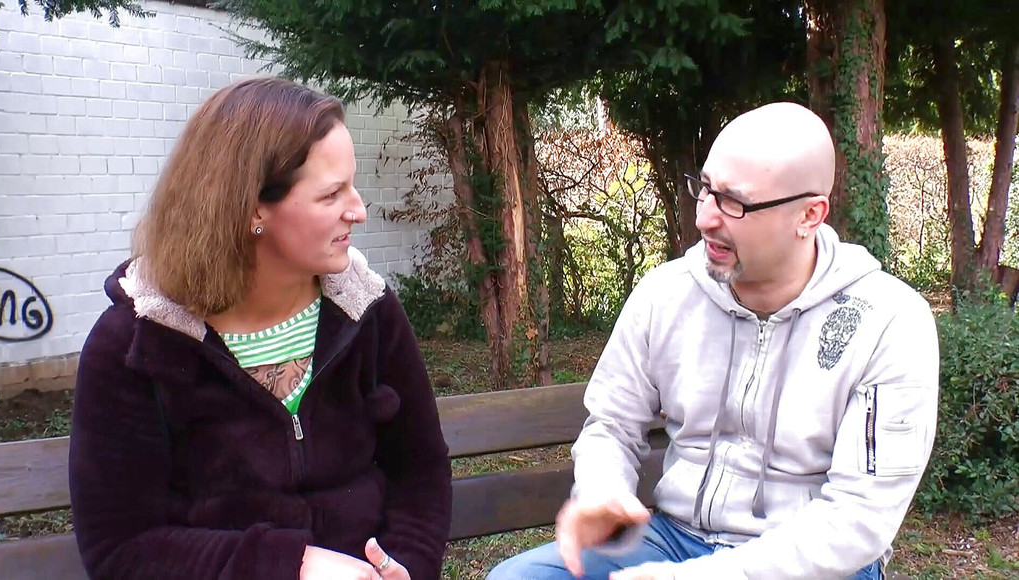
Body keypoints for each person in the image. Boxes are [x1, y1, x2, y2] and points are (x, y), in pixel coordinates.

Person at [488, 102, 939, 580]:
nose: (704, 218)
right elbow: (612, 424)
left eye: (733, 202)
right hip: (674, 539)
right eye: (705, 189)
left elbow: (857, 520)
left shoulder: (889, 321)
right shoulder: (666, 293)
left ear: (809, 215)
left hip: (814, 561)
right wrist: (602, 489)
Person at [68, 77, 452, 580]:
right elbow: (123, 549)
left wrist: (404, 568)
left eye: (351, 186)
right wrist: (292, 566)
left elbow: (420, 472)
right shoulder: (135, 345)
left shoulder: (367, 312)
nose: (358, 210)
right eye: (331, 194)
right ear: (252, 208)